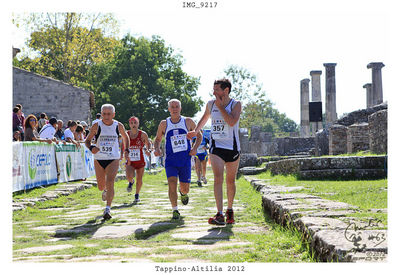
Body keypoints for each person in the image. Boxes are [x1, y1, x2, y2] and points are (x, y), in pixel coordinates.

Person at [187, 79, 241, 225]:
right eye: (213, 89)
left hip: (232, 148)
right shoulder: (211, 104)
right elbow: (205, 118)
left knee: (230, 181)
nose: (214, 92)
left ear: (226, 90)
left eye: (217, 89)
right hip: (216, 147)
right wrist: (195, 131)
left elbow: (231, 122)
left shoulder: (236, 104)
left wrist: (221, 107)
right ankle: (220, 214)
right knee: (218, 178)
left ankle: (230, 210)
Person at [154, 99, 202, 220]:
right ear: (169, 109)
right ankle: (175, 210)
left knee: (185, 188)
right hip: (170, 160)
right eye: (172, 107)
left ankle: (183, 193)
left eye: (177, 107)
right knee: (171, 183)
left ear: (180, 108)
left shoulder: (188, 121)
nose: (174, 109)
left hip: (185, 159)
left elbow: (199, 135)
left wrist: (195, 148)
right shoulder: (164, 124)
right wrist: (157, 148)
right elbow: (158, 139)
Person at [85, 104, 130, 220]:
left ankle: (108, 209)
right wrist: (91, 148)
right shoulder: (97, 125)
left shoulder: (118, 125)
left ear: (113, 114)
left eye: (109, 114)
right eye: (104, 114)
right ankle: (104, 190)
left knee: (110, 181)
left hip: (113, 158)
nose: (106, 116)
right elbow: (87, 141)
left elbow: (126, 137)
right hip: (99, 158)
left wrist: (126, 150)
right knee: (101, 186)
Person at [124, 116, 151, 203]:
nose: (133, 125)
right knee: (129, 176)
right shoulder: (126, 134)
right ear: (129, 125)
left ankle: (137, 195)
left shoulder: (143, 134)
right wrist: (123, 152)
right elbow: (122, 144)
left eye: (135, 123)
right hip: (130, 161)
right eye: (131, 123)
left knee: (139, 178)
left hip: (140, 160)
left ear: (138, 124)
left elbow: (148, 144)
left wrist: (148, 150)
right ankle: (131, 182)